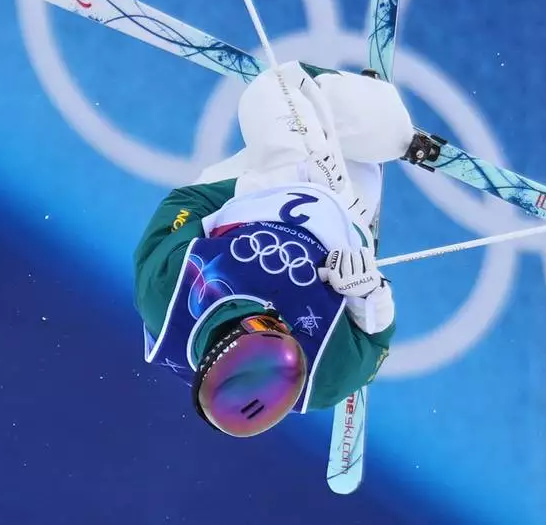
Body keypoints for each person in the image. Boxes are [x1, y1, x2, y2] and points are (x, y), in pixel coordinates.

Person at [132, 61, 414, 437]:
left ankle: (339, 98)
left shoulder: (166, 292)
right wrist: (368, 296)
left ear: (232, 331)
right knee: (375, 153)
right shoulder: (323, 378)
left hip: (257, 187)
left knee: (275, 94)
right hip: (341, 220)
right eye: (288, 337)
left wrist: (263, 186)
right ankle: (371, 120)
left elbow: (183, 205)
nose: (282, 321)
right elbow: (376, 343)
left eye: (268, 325)